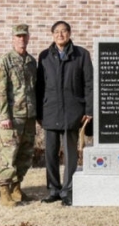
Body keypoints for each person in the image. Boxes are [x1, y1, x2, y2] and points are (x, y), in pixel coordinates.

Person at [37, 21, 93, 207]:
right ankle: (53, 189)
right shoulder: (44, 56)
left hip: (73, 111)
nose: (60, 35)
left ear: (69, 33)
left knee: (70, 153)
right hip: (50, 110)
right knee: (50, 153)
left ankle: (68, 191)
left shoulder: (81, 55)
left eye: (64, 31)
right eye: (57, 32)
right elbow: (40, 86)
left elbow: (89, 84)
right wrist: (39, 111)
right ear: (52, 35)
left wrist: (89, 110)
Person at [0, 24, 38, 207]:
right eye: (18, 37)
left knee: (25, 154)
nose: (21, 39)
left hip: (28, 116)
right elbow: (0, 91)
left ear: (28, 38)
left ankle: (17, 187)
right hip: (11, 118)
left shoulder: (31, 62)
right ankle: (4, 191)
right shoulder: (5, 60)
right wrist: (3, 116)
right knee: (8, 154)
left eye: (24, 36)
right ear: (12, 39)